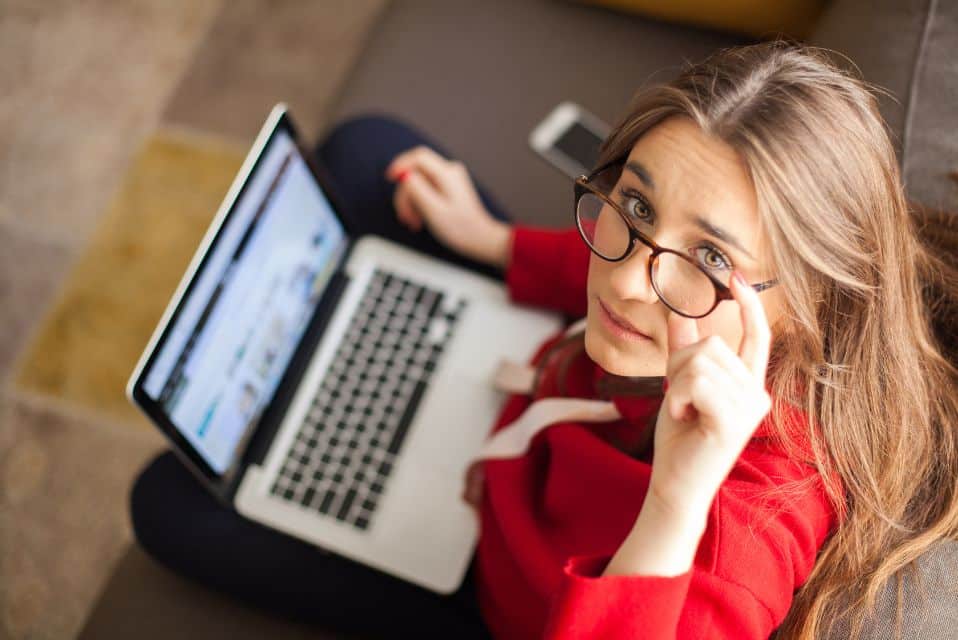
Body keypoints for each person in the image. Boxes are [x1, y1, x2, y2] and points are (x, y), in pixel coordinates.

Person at [130, 40, 958, 639]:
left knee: (167, 504)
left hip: (500, 588)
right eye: (636, 203)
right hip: (527, 413)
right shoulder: (669, 297)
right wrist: (495, 241)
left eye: (710, 259)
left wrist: (676, 498)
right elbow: (640, 256)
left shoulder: (756, 516)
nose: (626, 283)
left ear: (808, 306)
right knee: (368, 150)